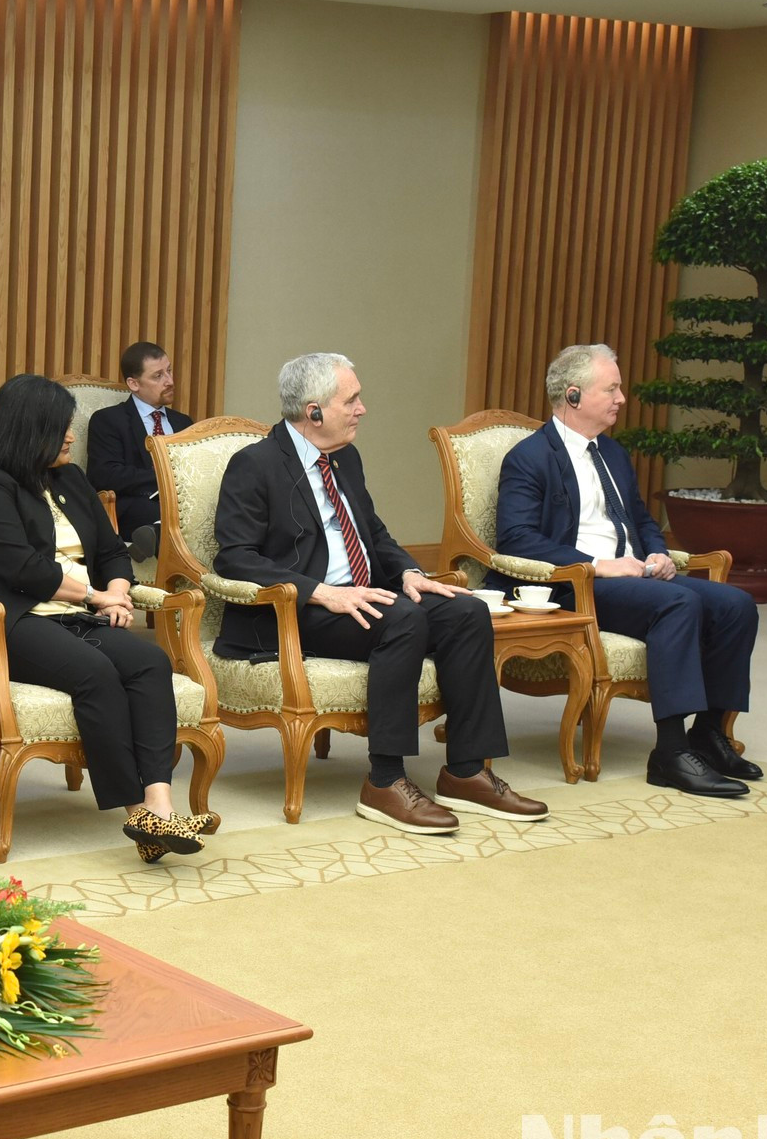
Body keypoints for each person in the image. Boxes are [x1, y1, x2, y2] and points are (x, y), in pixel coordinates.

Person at [212, 353, 547, 833]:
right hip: (295, 613)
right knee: (404, 620)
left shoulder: (344, 457)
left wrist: (408, 572)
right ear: (314, 412)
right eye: (351, 400)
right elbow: (235, 557)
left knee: (467, 611)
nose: (362, 409)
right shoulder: (255, 464)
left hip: (362, 598)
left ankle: (468, 770)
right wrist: (320, 592)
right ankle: (386, 781)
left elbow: (373, 531)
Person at [0, 373, 212, 862]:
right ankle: (139, 815)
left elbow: (113, 550)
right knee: (95, 674)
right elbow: (23, 569)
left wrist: (116, 591)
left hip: (75, 614)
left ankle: (161, 803)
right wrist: (96, 597)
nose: (72, 435)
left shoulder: (70, 479)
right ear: (30, 430)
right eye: (61, 427)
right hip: (7, 620)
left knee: (149, 664)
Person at [492, 343, 759, 798]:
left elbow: (639, 519)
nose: (621, 398)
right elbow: (516, 538)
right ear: (573, 396)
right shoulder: (530, 457)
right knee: (679, 602)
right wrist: (598, 566)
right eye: (611, 388)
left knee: (736, 604)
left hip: (637, 576)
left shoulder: (612, 454)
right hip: (578, 585)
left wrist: (656, 553)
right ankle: (670, 754)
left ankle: (709, 733)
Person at [85, 341, 195, 561]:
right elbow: (105, 475)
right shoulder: (108, 420)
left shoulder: (183, 422)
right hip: (135, 505)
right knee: (167, 515)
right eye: (158, 376)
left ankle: (155, 534)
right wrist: (164, 476)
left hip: (184, 503)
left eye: (169, 371)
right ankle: (155, 532)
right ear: (134, 384)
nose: (170, 381)